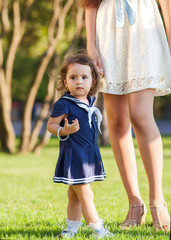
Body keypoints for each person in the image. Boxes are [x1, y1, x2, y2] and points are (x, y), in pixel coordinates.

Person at [80, 0, 171, 231]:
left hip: (144, 28)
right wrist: (92, 46)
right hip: (108, 33)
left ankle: (157, 202)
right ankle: (134, 204)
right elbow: (90, 4)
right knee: (117, 122)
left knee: (140, 115)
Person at [47, 54, 113, 238]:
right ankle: (97, 228)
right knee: (85, 193)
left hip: (89, 154)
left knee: (74, 194)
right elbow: (51, 125)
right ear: (65, 81)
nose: (79, 82)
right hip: (74, 155)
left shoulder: (90, 100)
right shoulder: (64, 104)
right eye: (73, 77)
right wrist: (64, 130)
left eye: (84, 77)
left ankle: (72, 228)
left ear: (92, 81)